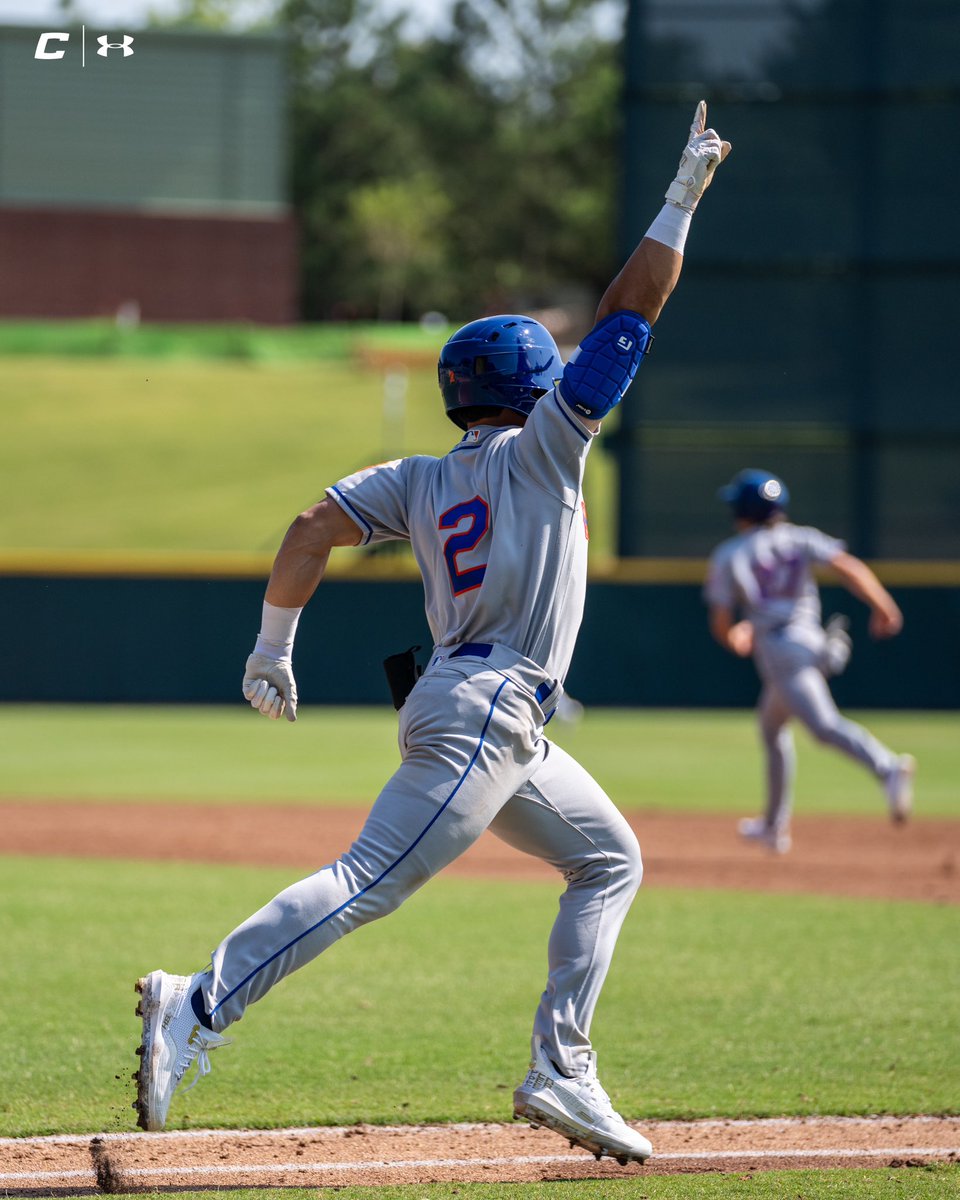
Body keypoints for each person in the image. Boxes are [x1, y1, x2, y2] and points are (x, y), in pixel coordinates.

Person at [134, 102, 732, 1164]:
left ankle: (563, 1067)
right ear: (535, 386)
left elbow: (309, 527)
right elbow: (631, 312)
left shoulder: (416, 478)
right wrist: (681, 197)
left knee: (608, 859)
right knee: (367, 882)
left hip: (479, 707)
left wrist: (272, 648)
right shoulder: (550, 445)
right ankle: (200, 1000)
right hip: (486, 709)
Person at [705, 468, 915, 854]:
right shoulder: (801, 537)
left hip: (781, 653)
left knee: (823, 727)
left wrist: (734, 637)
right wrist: (884, 606)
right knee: (772, 727)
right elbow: (848, 567)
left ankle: (888, 767)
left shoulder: (731, 553)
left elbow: (721, 620)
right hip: (809, 640)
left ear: (743, 511)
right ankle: (773, 827)